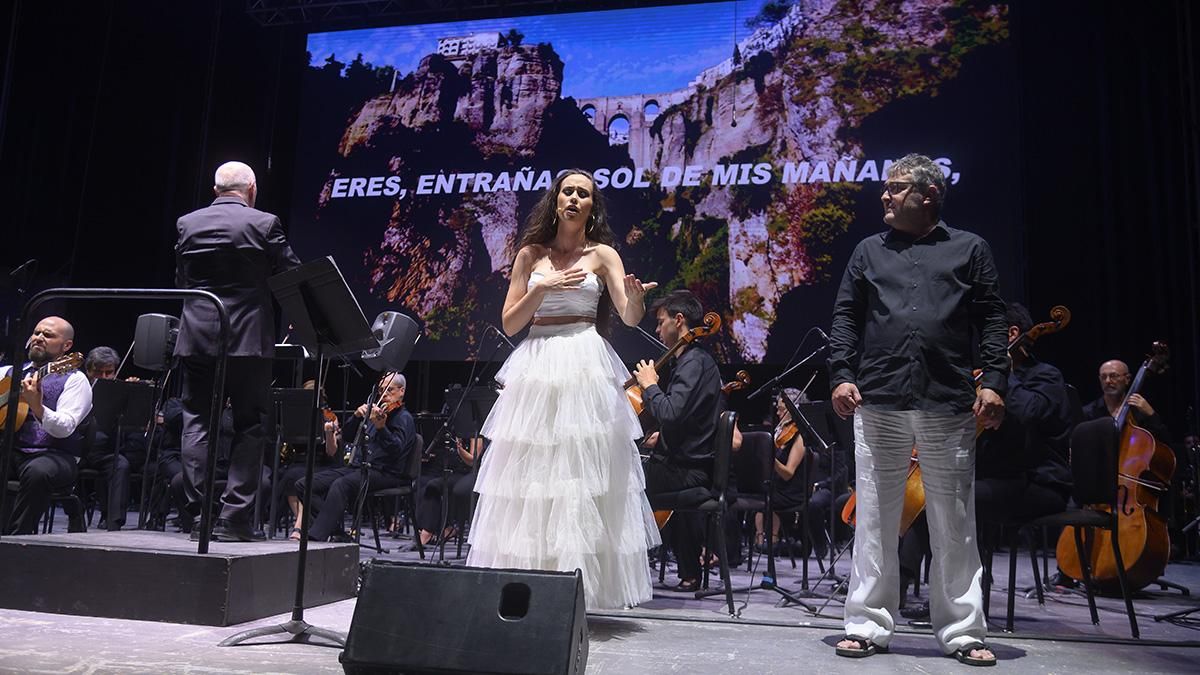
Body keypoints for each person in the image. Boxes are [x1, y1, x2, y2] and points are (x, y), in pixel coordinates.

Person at [828, 154, 1007, 666]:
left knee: (953, 521)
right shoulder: (868, 251)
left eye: (896, 188)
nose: (884, 196)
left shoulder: (970, 249)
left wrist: (993, 381)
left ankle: (963, 631)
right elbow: (845, 316)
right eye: (885, 188)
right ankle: (866, 625)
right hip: (879, 396)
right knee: (875, 519)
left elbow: (992, 321)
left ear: (927, 195)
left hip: (946, 399)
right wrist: (841, 374)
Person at [466, 168, 660, 610]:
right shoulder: (530, 254)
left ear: (592, 207)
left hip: (584, 358)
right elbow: (511, 322)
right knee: (532, 475)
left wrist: (637, 298)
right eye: (567, 191)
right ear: (555, 200)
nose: (574, 198)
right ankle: (525, 588)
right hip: (537, 358)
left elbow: (629, 317)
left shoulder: (604, 255)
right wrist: (544, 287)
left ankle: (574, 595)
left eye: (583, 194)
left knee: (578, 476)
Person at [899, 301, 1075, 619]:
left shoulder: (1046, 377)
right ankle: (901, 584)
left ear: (1011, 334)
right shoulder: (980, 379)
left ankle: (963, 594)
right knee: (926, 494)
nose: (981, 347)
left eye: (988, 338)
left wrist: (1004, 377)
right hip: (994, 479)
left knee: (952, 500)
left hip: (1039, 482)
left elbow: (1030, 414)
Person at [175, 160, 300, 542]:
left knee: (196, 420)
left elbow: (181, 280)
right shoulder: (264, 223)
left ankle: (198, 516)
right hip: (246, 339)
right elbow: (290, 274)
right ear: (252, 189)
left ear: (216, 190)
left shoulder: (187, 223)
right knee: (250, 424)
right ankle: (233, 519)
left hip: (196, 335)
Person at [633, 290, 725, 591]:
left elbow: (670, 412)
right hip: (689, 466)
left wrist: (649, 386)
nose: (658, 330)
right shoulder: (695, 361)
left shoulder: (692, 363)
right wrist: (665, 435)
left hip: (690, 473)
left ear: (680, 320)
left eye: (661, 323)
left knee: (619, 480)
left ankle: (626, 574)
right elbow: (684, 420)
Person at [298, 372, 415, 542]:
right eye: (382, 391)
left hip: (388, 473)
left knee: (341, 484)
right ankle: (335, 530)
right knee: (304, 484)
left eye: (390, 390)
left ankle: (316, 537)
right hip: (361, 468)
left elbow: (396, 451)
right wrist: (356, 416)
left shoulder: (404, 418)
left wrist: (382, 428)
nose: (385, 396)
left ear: (401, 391)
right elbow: (347, 436)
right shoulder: (377, 413)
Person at [2, 317, 92, 535]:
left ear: (66, 346)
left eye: (48, 335)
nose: (39, 338)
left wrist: (38, 407)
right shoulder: (7, 373)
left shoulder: (74, 379)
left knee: (38, 472)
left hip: (56, 455)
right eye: (36, 333)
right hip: (13, 451)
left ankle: (15, 541)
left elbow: (65, 427)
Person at [78, 346, 134, 530]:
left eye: (108, 373)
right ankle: (75, 516)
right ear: (88, 371)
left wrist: (130, 393)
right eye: (97, 372)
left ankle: (113, 521)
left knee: (120, 464)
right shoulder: (76, 386)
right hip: (75, 449)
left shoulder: (118, 392)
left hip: (102, 452)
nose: (103, 377)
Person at [1082, 359, 1170, 442]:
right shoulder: (1088, 412)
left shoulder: (1139, 409)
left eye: (1114, 376)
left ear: (1127, 379)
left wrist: (1151, 414)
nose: (1108, 381)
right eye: (1103, 377)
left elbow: (1164, 441)